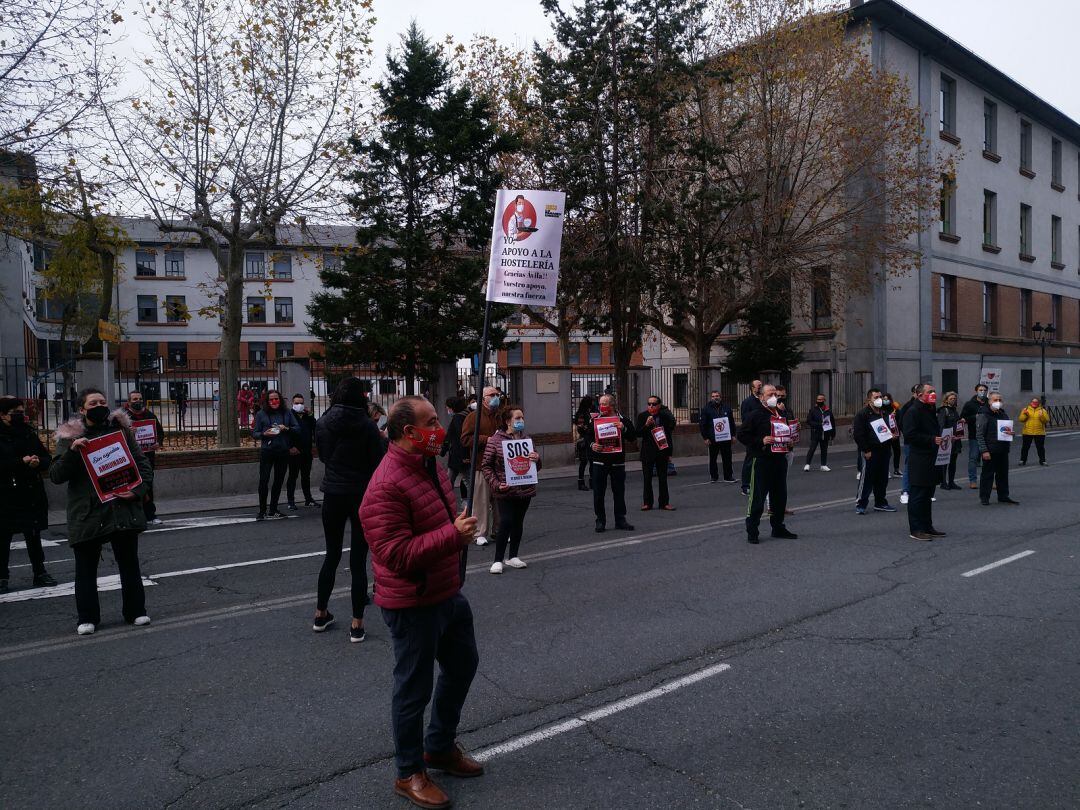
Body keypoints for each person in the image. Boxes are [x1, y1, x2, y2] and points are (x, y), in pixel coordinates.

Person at [360, 396, 484, 809]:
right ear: (409, 433)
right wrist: (453, 535)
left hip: (447, 592)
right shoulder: (385, 485)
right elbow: (394, 554)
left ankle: (440, 746)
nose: (441, 428)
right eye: (432, 422)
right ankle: (409, 771)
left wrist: (455, 532)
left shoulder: (430, 465)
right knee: (413, 689)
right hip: (413, 603)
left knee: (463, 664)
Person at [50, 388, 153, 635]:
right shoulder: (69, 438)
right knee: (85, 569)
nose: (100, 405)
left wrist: (137, 491)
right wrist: (74, 452)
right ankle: (87, 618)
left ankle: (136, 611)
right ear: (82, 409)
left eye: (103, 401)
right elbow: (56, 475)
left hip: (121, 508)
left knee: (129, 564)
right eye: (93, 402)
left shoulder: (122, 433)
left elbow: (143, 466)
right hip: (88, 513)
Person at [313, 377, 385, 642]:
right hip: (359, 493)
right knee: (358, 560)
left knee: (331, 555)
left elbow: (323, 455)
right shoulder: (366, 425)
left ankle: (321, 613)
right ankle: (357, 623)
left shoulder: (323, 422)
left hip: (332, 492)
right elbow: (377, 460)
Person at [0, 396, 57, 593]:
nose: (20, 416)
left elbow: (46, 458)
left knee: (33, 535)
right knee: (3, 536)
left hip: (31, 491)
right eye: (15, 413)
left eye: (22, 412)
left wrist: (37, 462)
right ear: (2, 415)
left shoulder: (28, 433)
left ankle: (39, 572)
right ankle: (2, 577)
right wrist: (19, 462)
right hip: (6, 493)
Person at [481, 404, 541, 574]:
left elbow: (536, 466)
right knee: (505, 521)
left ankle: (513, 556)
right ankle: (497, 560)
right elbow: (486, 466)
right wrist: (496, 484)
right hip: (505, 490)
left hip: (525, 489)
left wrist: (537, 459)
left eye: (522, 417)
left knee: (518, 522)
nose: (521, 420)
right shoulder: (496, 440)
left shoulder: (527, 439)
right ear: (508, 421)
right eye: (517, 418)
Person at [737, 384, 798, 544]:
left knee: (779, 496)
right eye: (770, 394)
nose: (773, 397)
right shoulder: (755, 415)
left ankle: (778, 527)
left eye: (775, 394)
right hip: (762, 460)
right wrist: (760, 441)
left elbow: (788, 432)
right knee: (758, 496)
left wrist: (790, 441)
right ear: (762, 397)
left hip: (780, 459)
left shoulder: (781, 414)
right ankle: (752, 530)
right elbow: (742, 435)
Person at [901, 383, 946, 541]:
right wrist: (932, 439)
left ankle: (927, 526)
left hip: (931, 457)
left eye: (934, 391)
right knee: (918, 495)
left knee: (928, 494)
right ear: (920, 395)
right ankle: (916, 529)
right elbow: (910, 435)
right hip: (919, 458)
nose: (933, 394)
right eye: (930, 392)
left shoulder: (930, 408)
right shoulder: (913, 411)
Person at [460, 386, 501, 546]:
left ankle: (498, 530)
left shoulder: (499, 416)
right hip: (480, 465)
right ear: (483, 398)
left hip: (498, 465)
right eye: (492, 395)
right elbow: (465, 439)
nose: (496, 397)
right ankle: (480, 533)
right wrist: (486, 439)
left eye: (497, 394)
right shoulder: (473, 417)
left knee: (499, 500)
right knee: (481, 501)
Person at [589, 394, 637, 532]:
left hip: (617, 463)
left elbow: (633, 436)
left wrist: (624, 428)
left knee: (619, 492)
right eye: (600, 403)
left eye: (604, 403)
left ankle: (620, 520)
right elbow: (587, 438)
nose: (601, 406)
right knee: (598, 493)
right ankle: (600, 521)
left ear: (612, 406)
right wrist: (592, 444)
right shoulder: (594, 421)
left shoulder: (623, 420)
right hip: (599, 462)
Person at [252, 389, 299, 520]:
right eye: (271, 399)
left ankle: (273, 509)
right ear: (267, 401)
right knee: (264, 481)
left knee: (278, 481)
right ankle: (262, 511)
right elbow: (254, 433)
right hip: (267, 452)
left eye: (276, 399)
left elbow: (297, 429)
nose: (274, 401)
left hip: (283, 451)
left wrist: (287, 428)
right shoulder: (261, 414)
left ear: (280, 400)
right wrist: (264, 434)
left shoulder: (287, 413)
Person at [852, 388, 897, 515]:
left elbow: (886, 430)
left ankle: (880, 502)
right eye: (876, 397)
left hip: (884, 450)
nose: (879, 399)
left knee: (882, 478)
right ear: (869, 400)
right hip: (871, 451)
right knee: (867, 478)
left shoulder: (884, 412)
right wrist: (866, 450)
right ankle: (861, 503)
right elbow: (858, 435)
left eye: (880, 397)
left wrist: (892, 436)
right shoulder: (863, 414)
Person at [123, 390, 164, 525]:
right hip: (130, 459)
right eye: (134, 399)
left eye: (140, 398)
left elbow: (159, 432)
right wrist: (128, 432)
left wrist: (158, 443)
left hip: (147, 458)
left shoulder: (150, 415)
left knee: (147, 485)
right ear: (129, 402)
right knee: (131, 487)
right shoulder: (123, 418)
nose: (138, 401)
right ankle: (132, 515)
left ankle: (150, 515)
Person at [977, 392, 1019, 506]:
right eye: (995, 400)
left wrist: (1011, 434)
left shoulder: (1003, 414)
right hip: (990, 450)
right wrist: (984, 451)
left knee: (1003, 474)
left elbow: (1007, 430)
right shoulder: (984, 414)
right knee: (987, 474)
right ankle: (985, 497)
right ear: (989, 401)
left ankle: (1003, 496)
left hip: (1003, 449)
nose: (998, 402)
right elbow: (980, 434)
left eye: (1000, 399)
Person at [635, 395, 676, 511]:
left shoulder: (664, 417)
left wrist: (669, 453)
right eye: (649, 404)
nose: (651, 406)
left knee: (663, 478)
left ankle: (664, 503)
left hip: (662, 451)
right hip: (648, 451)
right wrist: (646, 425)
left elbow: (668, 435)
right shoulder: (642, 416)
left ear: (659, 405)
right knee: (647, 478)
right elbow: (637, 433)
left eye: (653, 404)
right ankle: (647, 502)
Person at [287, 393, 318, 510]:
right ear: (292, 404)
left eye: (301, 403)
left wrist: (310, 415)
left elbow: (315, 427)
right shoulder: (289, 415)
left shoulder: (307, 416)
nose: (299, 405)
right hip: (294, 452)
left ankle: (308, 499)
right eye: (296, 403)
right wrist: (290, 447)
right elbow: (286, 433)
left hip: (306, 451)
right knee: (293, 476)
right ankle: (291, 501)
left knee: (306, 476)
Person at [700, 390, 736, 483]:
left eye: (717, 396)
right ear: (711, 398)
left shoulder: (727, 408)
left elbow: (731, 422)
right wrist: (705, 438)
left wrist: (733, 435)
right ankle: (714, 476)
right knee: (713, 459)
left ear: (720, 397)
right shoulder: (706, 409)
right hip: (713, 439)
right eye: (713, 396)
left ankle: (728, 476)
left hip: (726, 438)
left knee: (727, 458)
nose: (715, 397)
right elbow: (702, 425)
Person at [960, 383, 989, 489]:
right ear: (976, 391)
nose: (983, 392)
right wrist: (975, 417)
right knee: (973, 458)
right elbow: (963, 418)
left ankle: (990, 480)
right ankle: (973, 480)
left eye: (984, 390)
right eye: (980, 390)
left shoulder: (989, 403)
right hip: (975, 435)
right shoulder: (970, 404)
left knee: (989, 458)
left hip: (988, 435)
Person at [896, 384, 921, 504]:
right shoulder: (907, 407)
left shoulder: (928, 407)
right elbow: (902, 424)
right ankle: (905, 491)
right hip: (910, 442)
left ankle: (920, 491)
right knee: (909, 466)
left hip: (924, 441)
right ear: (914, 393)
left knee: (922, 466)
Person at [440, 397, 469, 499]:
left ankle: (471, 504)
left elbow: (457, 437)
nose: (448, 410)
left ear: (453, 408)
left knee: (467, 481)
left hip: (459, 456)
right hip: (460, 456)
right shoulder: (467, 415)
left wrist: (443, 449)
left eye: (448, 408)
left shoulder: (458, 418)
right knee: (450, 480)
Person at [739, 379, 763, 495]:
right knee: (749, 461)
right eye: (759, 386)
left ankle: (758, 483)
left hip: (763, 436)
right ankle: (745, 485)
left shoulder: (763, 401)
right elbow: (745, 420)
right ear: (753, 388)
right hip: (753, 437)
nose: (760, 388)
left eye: (761, 386)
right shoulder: (747, 402)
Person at [936, 391, 963, 490]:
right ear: (946, 400)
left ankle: (951, 482)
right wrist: (944, 437)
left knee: (953, 462)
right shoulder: (943, 410)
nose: (953, 400)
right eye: (951, 399)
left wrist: (961, 421)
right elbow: (941, 425)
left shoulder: (954, 410)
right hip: (947, 440)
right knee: (944, 462)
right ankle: (943, 482)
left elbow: (957, 424)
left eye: (954, 399)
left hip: (955, 440)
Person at [803, 394, 836, 471]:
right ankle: (807, 464)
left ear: (824, 400)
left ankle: (823, 465)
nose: (819, 401)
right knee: (812, 448)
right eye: (818, 399)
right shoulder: (813, 410)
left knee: (824, 449)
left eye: (821, 400)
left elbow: (832, 423)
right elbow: (809, 421)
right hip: (816, 433)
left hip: (826, 433)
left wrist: (833, 434)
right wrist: (818, 425)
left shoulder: (828, 411)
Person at [574, 395, 596, 490]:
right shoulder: (581, 414)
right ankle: (581, 482)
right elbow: (581, 428)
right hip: (583, 440)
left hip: (589, 439)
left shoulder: (587, 412)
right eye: (591, 402)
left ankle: (592, 481)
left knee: (591, 461)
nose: (593, 404)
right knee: (583, 462)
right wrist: (588, 428)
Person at [1018, 398, 1050, 466]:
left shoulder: (1042, 410)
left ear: (1038, 403)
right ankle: (1022, 460)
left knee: (1040, 448)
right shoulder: (1025, 409)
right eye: (1033, 402)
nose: (1034, 403)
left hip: (1039, 432)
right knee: (1025, 447)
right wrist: (1025, 415)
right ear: (1030, 402)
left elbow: (1046, 421)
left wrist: (1041, 416)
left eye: (1036, 402)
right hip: (1027, 432)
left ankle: (1043, 461)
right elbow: (1021, 419)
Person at [883, 392, 901, 477]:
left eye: (887, 399)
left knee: (897, 451)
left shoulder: (894, 408)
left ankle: (896, 469)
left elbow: (900, 420)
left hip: (895, 433)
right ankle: (886, 471)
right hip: (886, 434)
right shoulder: (880, 410)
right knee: (887, 453)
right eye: (884, 399)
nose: (886, 400)